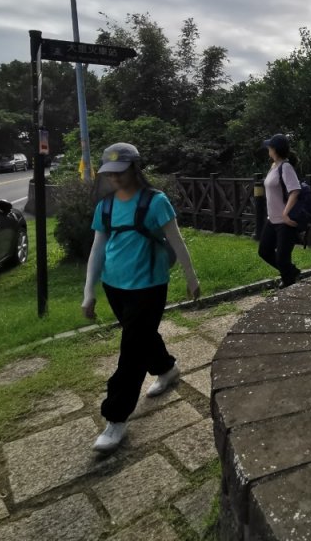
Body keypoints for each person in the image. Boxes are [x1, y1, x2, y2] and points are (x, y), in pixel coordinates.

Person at [82, 142, 201, 454]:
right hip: (114, 286)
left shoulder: (155, 202)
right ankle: (166, 368)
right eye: (110, 174)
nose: (115, 179)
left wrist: (191, 277)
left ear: (135, 168)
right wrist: (89, 292)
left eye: (120, 172)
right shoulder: (105, 207)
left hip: (149, 285)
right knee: (141, 337)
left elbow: (176, 240)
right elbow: (97, 250)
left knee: (131, 349)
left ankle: (116, 417)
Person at [258, 133, 302, 286]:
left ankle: (289, 283)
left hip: (285, 222)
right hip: (272, 220)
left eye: (269, 147)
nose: (268, 149)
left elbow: (295, 190)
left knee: (282, 259)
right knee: (264, 251)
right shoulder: (274, 166)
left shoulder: (286, 167)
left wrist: (285, 213)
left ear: (275, 149)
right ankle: (291, 272)